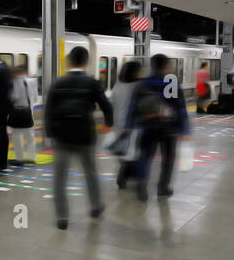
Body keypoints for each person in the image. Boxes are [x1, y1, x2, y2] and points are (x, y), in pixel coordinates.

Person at [43, 46, 112, 228]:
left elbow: (48, 111)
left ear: (69, 61)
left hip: (62, 137)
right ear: (87, 62)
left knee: (59, 178)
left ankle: (62, 218)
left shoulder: (57, 83)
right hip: (85, 136)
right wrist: (107, 124)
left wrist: (51, 135)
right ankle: (96, 207)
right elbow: (107, 106)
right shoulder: (92, 83)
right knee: (90, 173)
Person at [126, 53, 191, 201]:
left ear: (153, 66)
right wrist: (185, 129)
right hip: (168, 128)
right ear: (167, 66)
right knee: (168, 158)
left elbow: (133, 106)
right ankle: (163, 187)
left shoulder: (142, 83)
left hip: (147, 126)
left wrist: (129, 125)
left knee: (145, 156)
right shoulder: (172, 83)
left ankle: (142, 184)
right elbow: (180, 108)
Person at [111, 59, 143, 190]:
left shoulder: (117, 86)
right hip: (133, 124)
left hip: (118, 123)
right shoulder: (137, 86)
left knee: (127, 150)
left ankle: (129, 174)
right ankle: (123, 176)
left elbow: (112, 105)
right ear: (134, 72)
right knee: (133, 152)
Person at [7, 64, 38, 166]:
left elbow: (14, 97)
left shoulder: (15, 82)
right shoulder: (32, 81)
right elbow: (35, 98)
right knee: (30, 137)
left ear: (17, 73)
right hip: (28, 112)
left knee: (17, 136)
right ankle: (31, 159)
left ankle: (19, 159)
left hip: (17, 112)